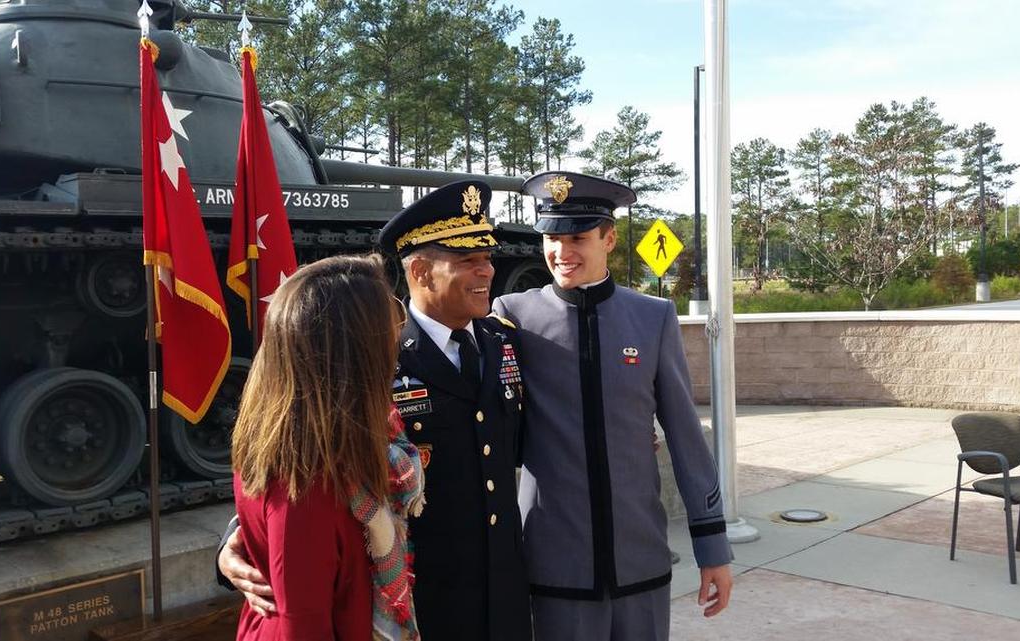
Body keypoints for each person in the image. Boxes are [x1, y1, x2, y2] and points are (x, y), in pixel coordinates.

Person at [219, 181, 532, 641]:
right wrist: (235, 542)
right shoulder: (369, 354)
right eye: (468, 261)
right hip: (420, 602)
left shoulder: (504, 341)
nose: (487, 271)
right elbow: (299, 461)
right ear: (422, 271)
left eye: (487, 258)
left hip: (502, 595)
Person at [492, 171, 733, 641]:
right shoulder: (512, 317)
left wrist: (713, 548)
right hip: (555, 564)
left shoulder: (652, 317)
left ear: (609, 238)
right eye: (552, 238)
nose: (562, 252)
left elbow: (686, 440)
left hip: (639, 560)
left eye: (578, 237)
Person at [228, 254, 422, 641]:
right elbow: (304, 625)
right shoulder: (307, 486)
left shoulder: (359, 439)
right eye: (388, 324)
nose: (397, 337)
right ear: (356, 350)